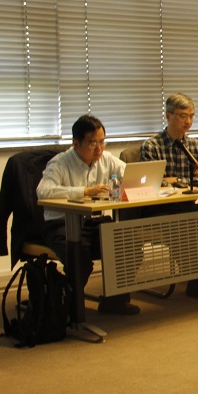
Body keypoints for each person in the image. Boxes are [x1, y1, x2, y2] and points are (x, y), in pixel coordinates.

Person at [37, 115, 138, 315]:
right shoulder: (60, 163)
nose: (99, 148)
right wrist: (84, 191)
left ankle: (114, 301)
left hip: (93, 222)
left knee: (129, 245)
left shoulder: (106, 159)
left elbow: (131, 176)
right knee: (79, 260)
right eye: (92, 144)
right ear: (76, 143)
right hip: (61, 224)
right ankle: (66, 308)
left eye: (102, 142)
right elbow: (44, 191)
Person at [140, 93, 198, 299]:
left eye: (191, 116)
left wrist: (179, 180)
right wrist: (177, 181)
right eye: (182, 116)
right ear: (168, 115)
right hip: (160, 210)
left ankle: (195, 279)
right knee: (185, 229)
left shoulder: (195, 146)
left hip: (186, 206)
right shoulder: (152, 146)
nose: (188, 121)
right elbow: (152, 183)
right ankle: (196, 280)